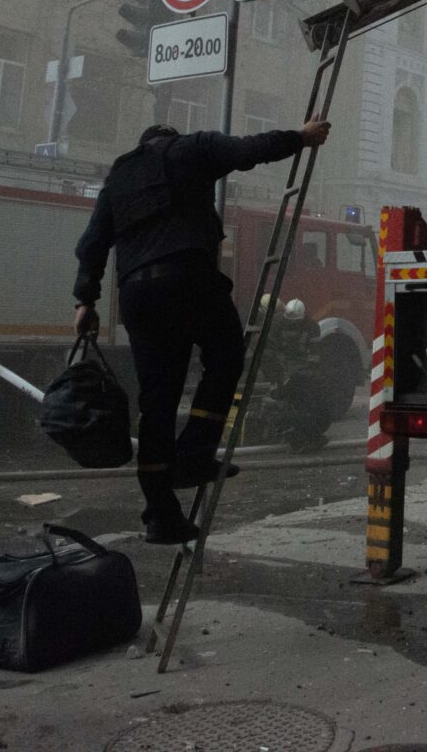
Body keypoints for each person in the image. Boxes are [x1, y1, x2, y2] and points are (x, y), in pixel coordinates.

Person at [73, 119, 332, 544]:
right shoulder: (190, 149)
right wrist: (300, 138)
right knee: (227, 356)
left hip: (137, 293)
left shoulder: (119, 175)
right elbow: (250, 150)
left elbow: (93, 243)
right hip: (188, 278)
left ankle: (161, 515)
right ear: (169, 139)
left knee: (156, 403)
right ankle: (193, 455)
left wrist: (85, 300)